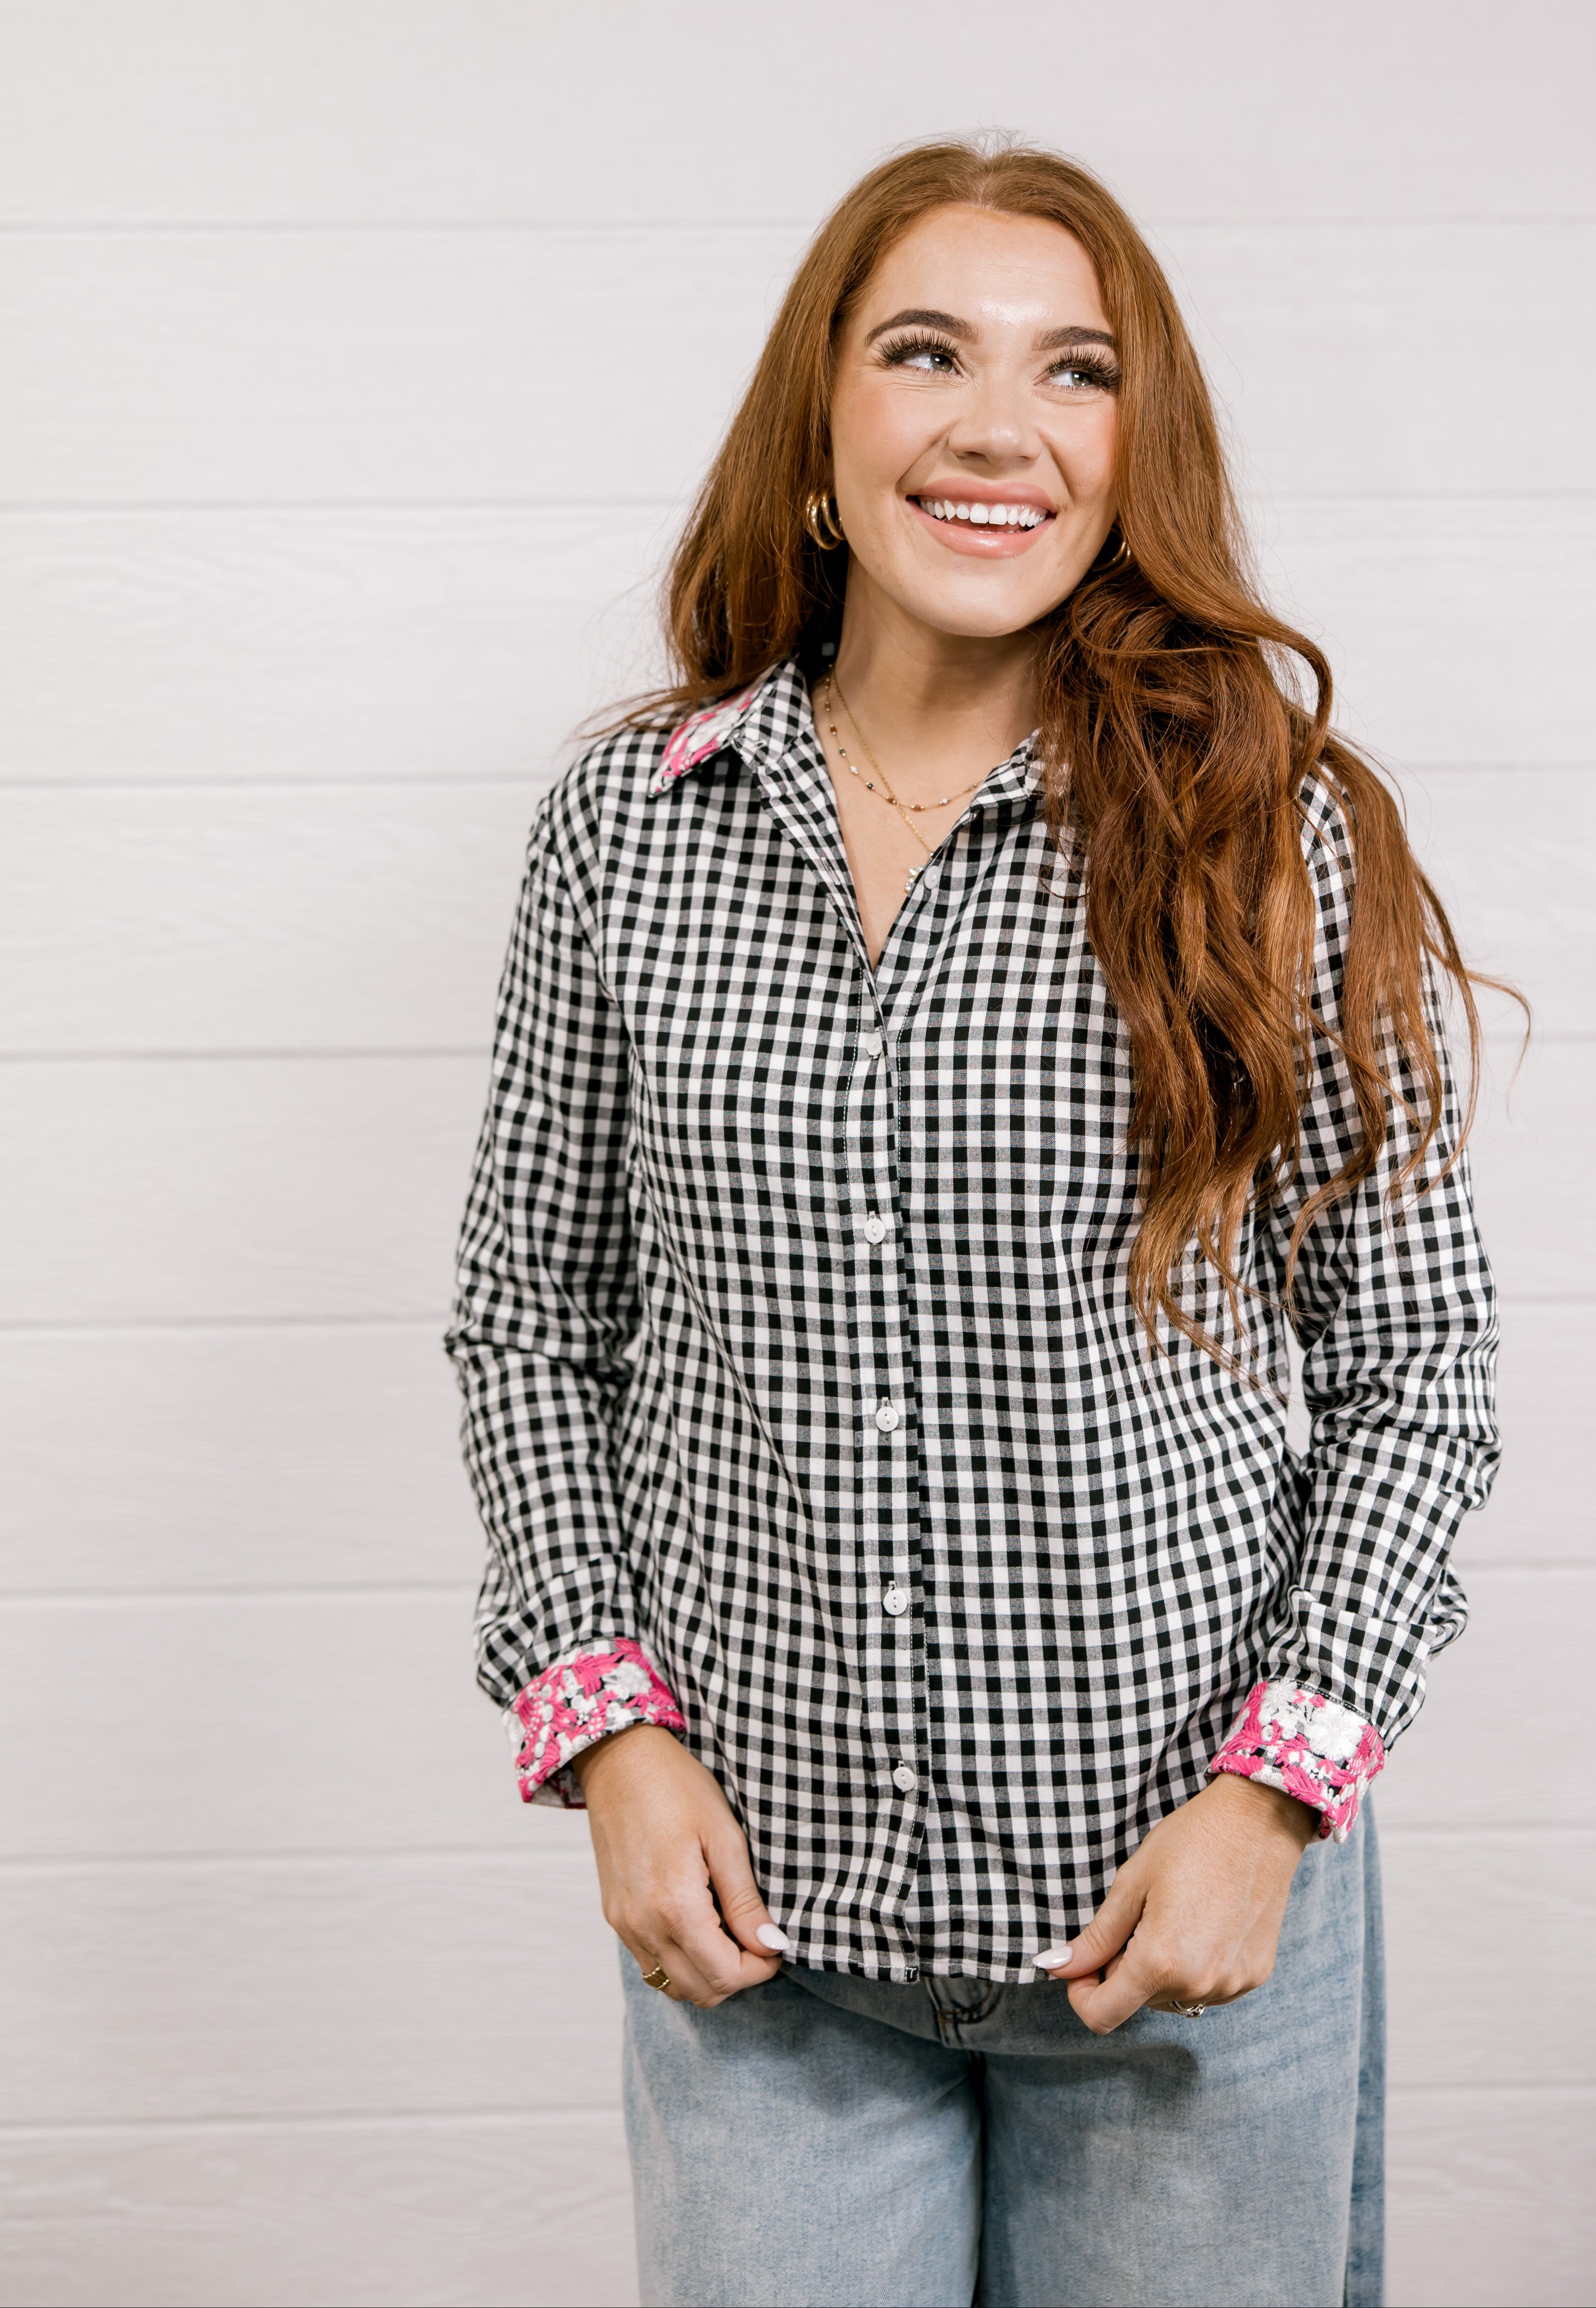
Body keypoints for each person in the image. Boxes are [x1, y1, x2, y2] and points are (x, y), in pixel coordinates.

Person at [445, 135, 1500, 2308]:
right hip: (765, 1955)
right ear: (821, 424)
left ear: (1132, 452)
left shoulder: (1264, 835)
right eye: (928, 352)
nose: (999, 425)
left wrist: (1272, 1801)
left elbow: (1419, 1365)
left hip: (1182, 1928)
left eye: (1074, 371)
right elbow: (529, 1319)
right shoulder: (627, 828)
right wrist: (609, 1733)